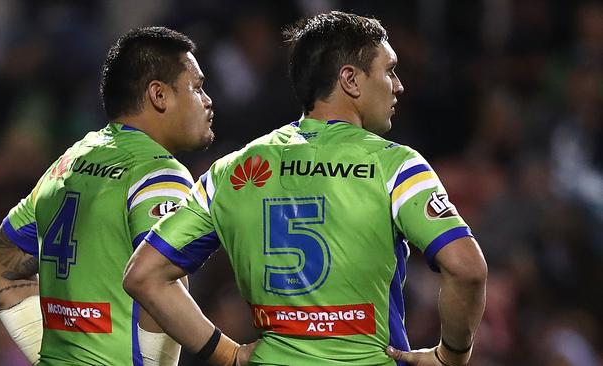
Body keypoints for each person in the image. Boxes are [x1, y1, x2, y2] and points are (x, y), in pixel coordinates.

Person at [123, 11, 487, 366]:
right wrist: (451, 355)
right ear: (351, 80)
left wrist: (226, 353)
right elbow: (467, 268)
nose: (398, 85)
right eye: (389, 70)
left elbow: (145, 276)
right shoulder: (394, 165)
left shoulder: (233, 170)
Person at [0, 26, 215, 365]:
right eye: (197, 87)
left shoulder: (70, 160)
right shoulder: (159, 172)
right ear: (158, 95)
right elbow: (156, 283)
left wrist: (49, 355)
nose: (207, 101)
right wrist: (226, 352)